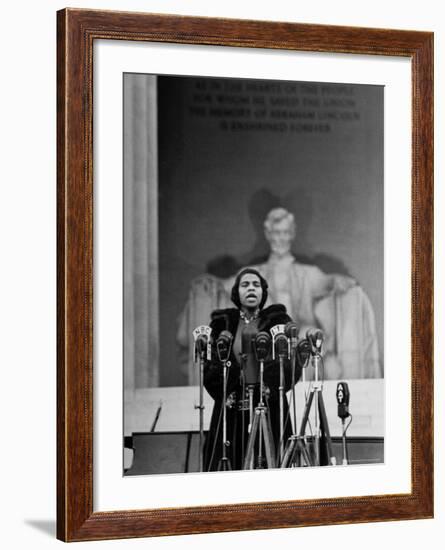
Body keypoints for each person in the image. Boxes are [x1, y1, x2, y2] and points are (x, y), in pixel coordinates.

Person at [177, 207, 380, 383]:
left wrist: (338, 282)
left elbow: (326, 283)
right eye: (275, 233)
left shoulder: (305, 272)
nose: (280, 238)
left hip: (297, 334)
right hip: (263, 336)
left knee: (305, 337)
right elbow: (228, 286)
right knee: (255, 340)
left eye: (284, 233)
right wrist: (211, 284)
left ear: (291, 234)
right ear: (268, 234)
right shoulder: (255, 272)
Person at [203, 268, 302, 471]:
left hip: (269, 403)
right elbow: (210, 364)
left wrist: (270, 387)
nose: (251, 289)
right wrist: (228, 388)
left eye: (256, 285)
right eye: (245, 285)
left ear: (263, 292)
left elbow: (292, 364)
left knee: (271, 461)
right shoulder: (222, 323)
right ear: (236, 292)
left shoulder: (278, 321)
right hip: (232, 406)